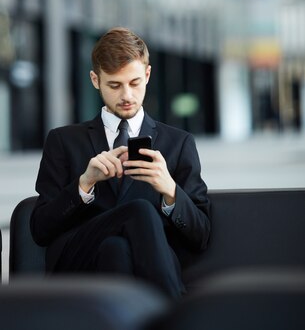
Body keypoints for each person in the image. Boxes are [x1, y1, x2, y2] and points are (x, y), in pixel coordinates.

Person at [30, 27, 210, 298]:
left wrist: (170, 192)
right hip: (79, 263)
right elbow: (40, 230)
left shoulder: (179, 143)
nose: (126, 95)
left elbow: (201, 235)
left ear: (147, 75)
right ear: (95, 80)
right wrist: (84, 183)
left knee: (116, 249)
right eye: (114, 85)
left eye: (134, 83)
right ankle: (178, 310)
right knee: (139, 210)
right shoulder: (62, 141)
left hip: (140, 266)